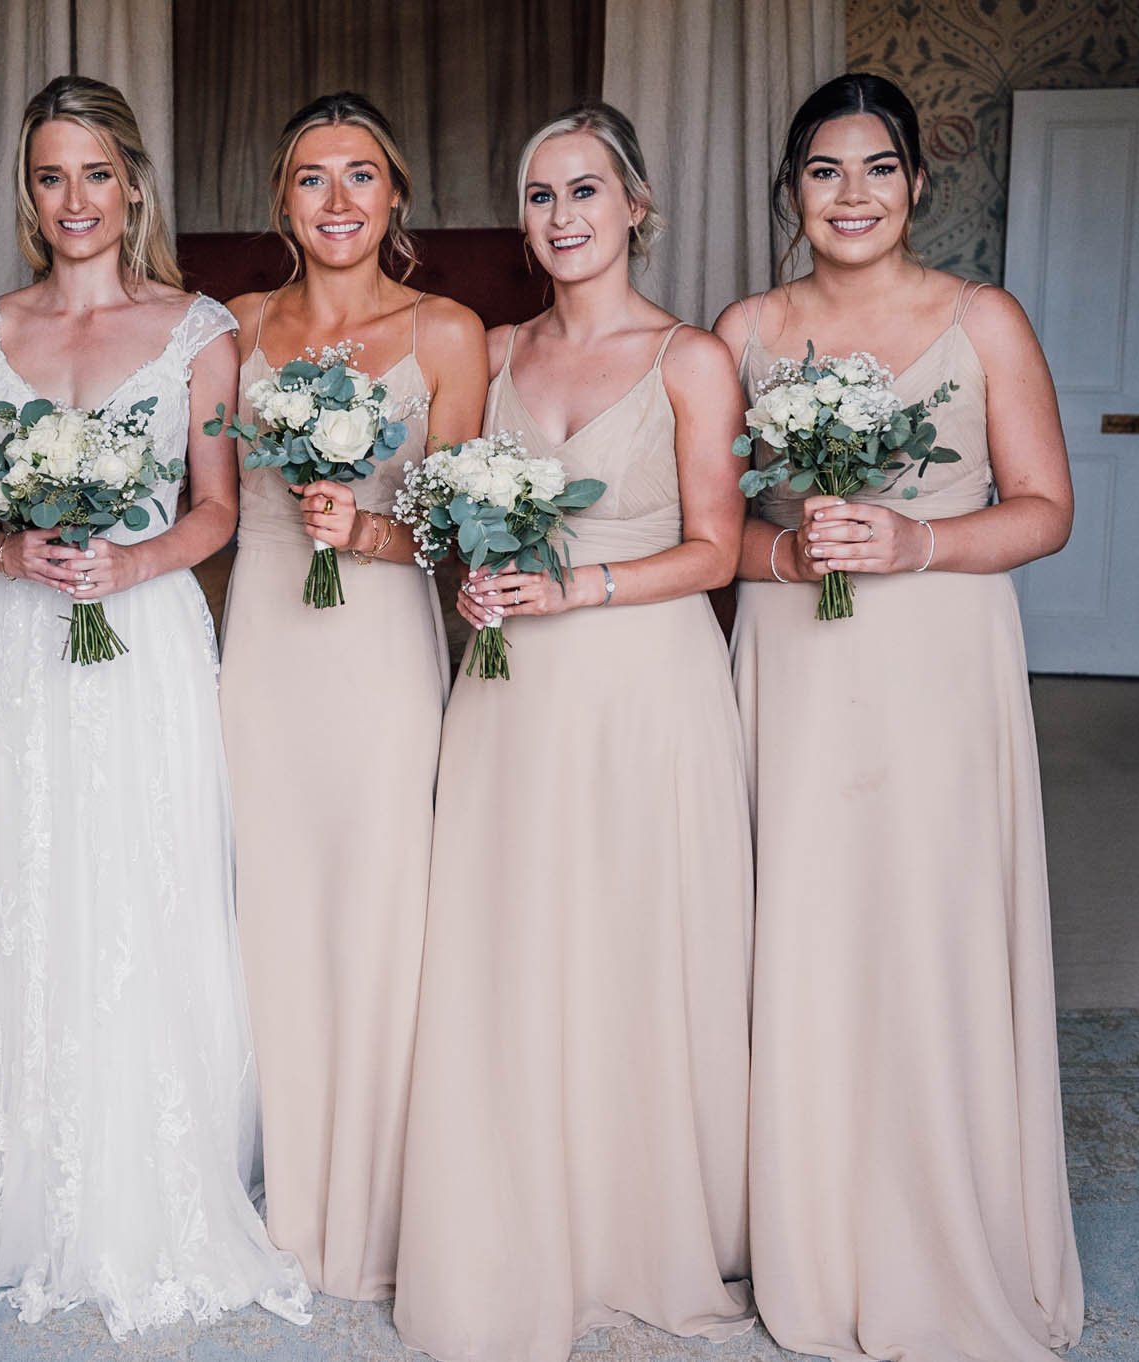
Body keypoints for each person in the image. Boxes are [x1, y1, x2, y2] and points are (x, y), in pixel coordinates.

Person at [712, 71, 1083, 1361]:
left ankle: (940, 1227)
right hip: (796, 666)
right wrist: (790, 558)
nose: (852, 195)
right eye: (824, 171)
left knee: (925, 928)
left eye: (877, 169)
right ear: (792, 190)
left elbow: (1044, 508)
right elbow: (725, 536)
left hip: (935, 659)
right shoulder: (746, 327)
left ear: (917, 185)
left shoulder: (979, 319)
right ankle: (808, 1231)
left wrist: (916, 539)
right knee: (800, 925)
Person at [0, 74, 312, 1337]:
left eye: (95, 173)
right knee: (24, 885)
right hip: (23, 640)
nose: (74, 200)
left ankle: (163, 1171)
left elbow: (216, 507)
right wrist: (13, 553)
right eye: (50, 177)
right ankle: (23, 1190)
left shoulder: (198, 330)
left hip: (145, 630)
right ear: (27, 194)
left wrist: (129, 562)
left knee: (148, 884)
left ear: (133, 184)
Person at [392, 101, 755, 1362]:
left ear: (636, 207)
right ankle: (514, 1190)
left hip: (641, 679)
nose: (559, 218)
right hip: (510, 690)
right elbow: (438, 522)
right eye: (538, 196)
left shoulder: (690, 358)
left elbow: (716, 551)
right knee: (511, 930)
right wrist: (474, 582)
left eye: (584, 192)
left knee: (629, 932)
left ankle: (636, 1213)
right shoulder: (487, 354)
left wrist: (577, 588)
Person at [219, 90, 485, 1301]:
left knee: (381, 900)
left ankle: (376, 1193)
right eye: (313, 177)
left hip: (377, 646)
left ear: (396, 197)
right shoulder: (230, 328)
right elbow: (211, 512)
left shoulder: (445, 332)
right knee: (267, 895)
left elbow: (465, 527)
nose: (337, 201)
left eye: (361, 176)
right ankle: (284, 1181)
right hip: (264, 641)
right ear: (281, 199)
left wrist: (373, 529)